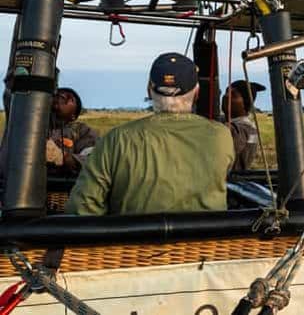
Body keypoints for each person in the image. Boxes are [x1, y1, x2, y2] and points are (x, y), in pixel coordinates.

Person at [66, 52, 234, 215]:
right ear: (197, 93)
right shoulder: (222, 136)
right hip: (207, 243)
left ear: (149, 90)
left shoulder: (117, 139)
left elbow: (82, 208)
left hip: (132, 243)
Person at [47, 87, 98, 177]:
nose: (61, 96)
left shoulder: (82, 131)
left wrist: (62, 157)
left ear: (73, 116)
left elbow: (94, 159)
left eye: (69, 98)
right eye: (57, 94)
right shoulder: (31, 124)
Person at [221, 80, 266, 171]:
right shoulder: (226, 121)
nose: (226, 96)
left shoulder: (245, 129)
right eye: (226, 92)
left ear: (245, 104)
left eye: (233, 95)